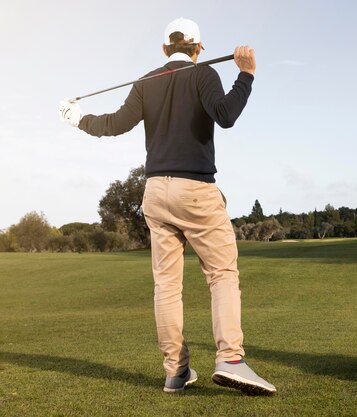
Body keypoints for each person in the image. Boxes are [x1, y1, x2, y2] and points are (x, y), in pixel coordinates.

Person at [58, 17, 275, 396]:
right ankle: (231, 360)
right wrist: (246, 74)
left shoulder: (147, 81)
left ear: (165, 48)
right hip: (196, 189)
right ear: (199, 47)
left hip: (155, 192)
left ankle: (176, 371)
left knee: (167, 285)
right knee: (222, 274)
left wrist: (76, 119)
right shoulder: (204, 74)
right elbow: (226, 115)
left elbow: (113, 124)